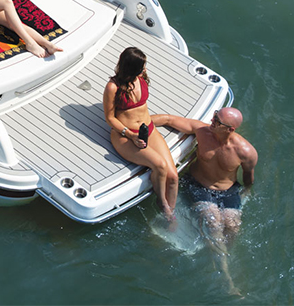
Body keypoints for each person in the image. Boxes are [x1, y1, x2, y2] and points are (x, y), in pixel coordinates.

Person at [151, 108, 258, 294]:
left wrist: (247, 192)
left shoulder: (246, 152)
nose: (212, 121)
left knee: (232, 225)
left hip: (228, 190)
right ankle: (226, 276)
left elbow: (248, 178)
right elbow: (169, 119)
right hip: (198, 186)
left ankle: (221, 254)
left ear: (230, 129)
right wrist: (139, 123)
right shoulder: (202, 131)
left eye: (217, 121)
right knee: (213, 221)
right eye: (215, 116)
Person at [103, 47, 179, 221]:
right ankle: (163, 204)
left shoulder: (141, 78)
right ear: (131, 67)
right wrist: (130, 135)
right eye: (142, 66)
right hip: (124, 136)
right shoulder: (112, 87)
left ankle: (171, 212)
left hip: (148, 129)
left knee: (173, 177)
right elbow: (109, 118)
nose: (145, 69)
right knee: (160, 165)